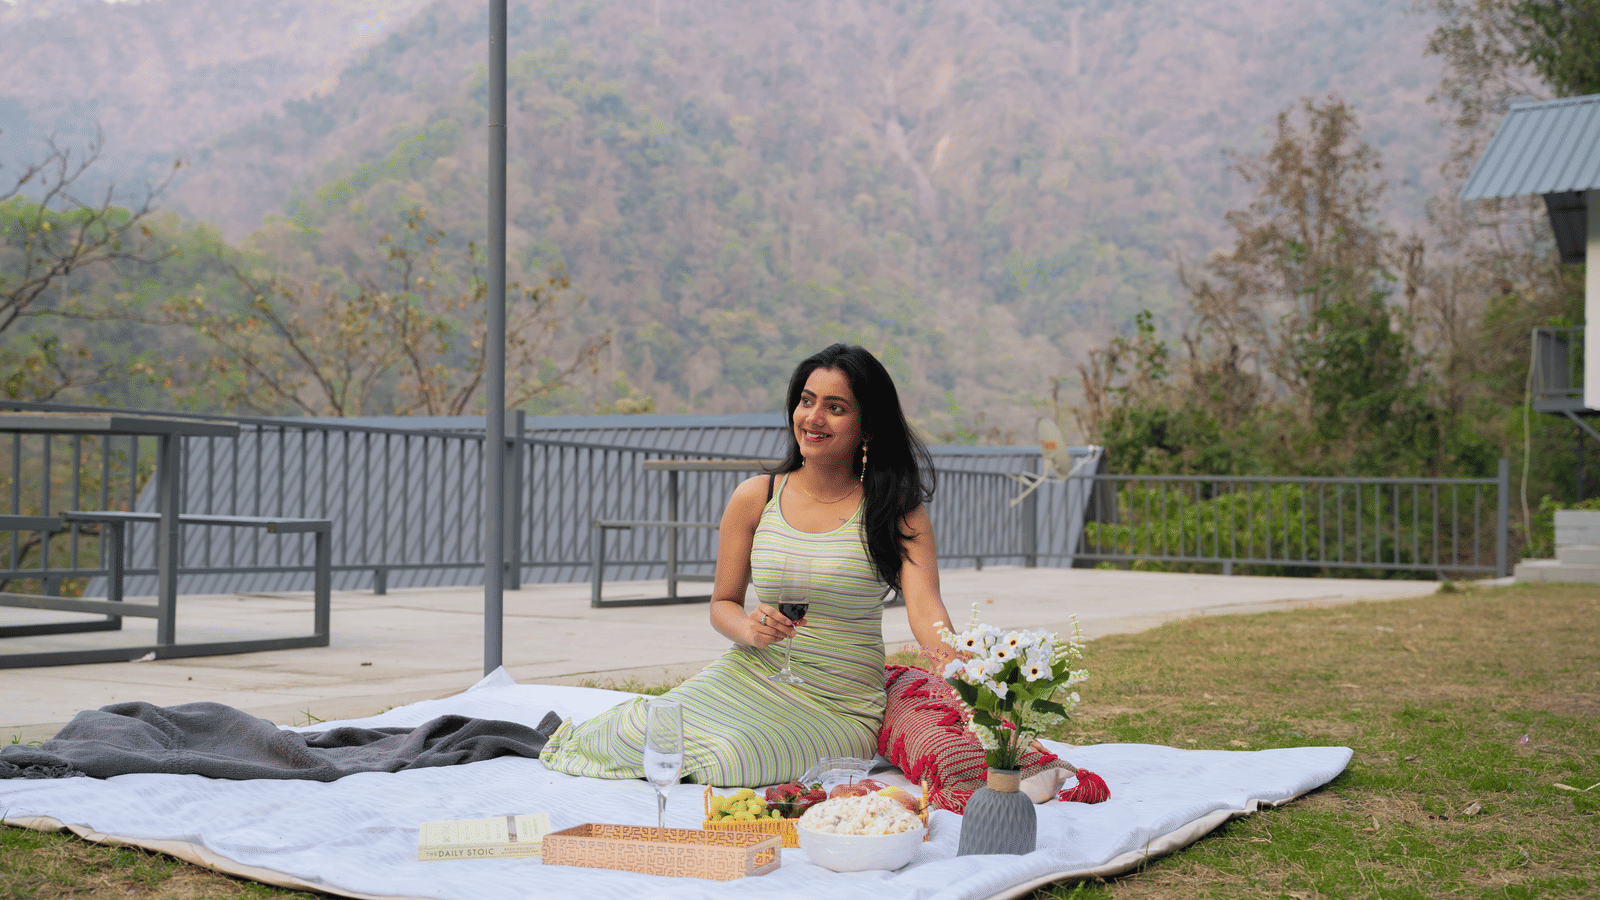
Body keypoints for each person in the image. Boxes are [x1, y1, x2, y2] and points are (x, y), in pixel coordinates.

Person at [539, 343, 954, 787]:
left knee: (732, 758)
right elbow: (723, 603)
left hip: (838, 702)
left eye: (835, 408)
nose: (813, 418)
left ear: (868, 425)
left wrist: (970, 680)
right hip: (749, 671)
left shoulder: (895, 510)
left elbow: (927, 612)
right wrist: (749, 629)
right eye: (806, 400)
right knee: (635, 730)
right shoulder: (757, 496)